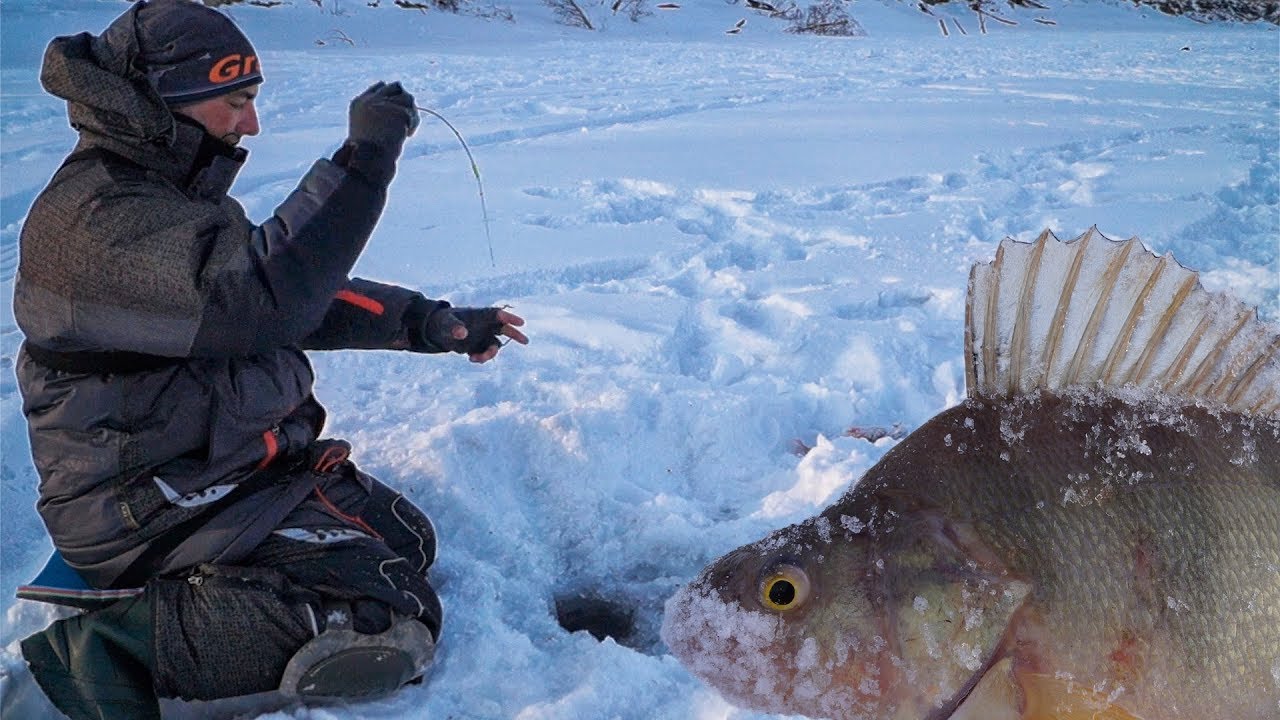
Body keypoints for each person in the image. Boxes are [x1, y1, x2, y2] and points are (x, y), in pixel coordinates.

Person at [11, 1, 527, 717]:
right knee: (386, 618)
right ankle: (104, 645)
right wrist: (364, 161)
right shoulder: (96, 223)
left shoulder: (165, 196)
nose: (251, 125)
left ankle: (231, 582)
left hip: (232, 475)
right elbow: (260, 296)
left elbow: (290, 293)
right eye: (236, 102)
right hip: (150, 508)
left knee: (406, 537)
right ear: (171, 99)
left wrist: (430, 324)